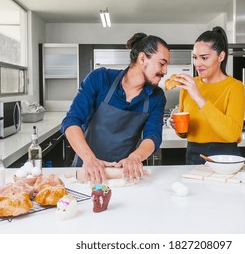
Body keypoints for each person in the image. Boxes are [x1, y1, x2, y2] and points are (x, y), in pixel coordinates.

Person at [61, 33, 170, 183]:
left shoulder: (156, 97)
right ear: (143, 58)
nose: (165, 71)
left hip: (125, 174)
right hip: (87, 170)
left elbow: (153, 136)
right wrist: (89, 159)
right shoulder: (100, 79)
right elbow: (72, 121)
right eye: (162, 63)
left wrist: (135, 157)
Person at [170, 26, 245, 165]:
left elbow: (232, 134)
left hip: (226, 158)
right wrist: (179, 129)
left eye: (204, 58)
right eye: (195, 58)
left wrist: (198, 96)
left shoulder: (235, 87)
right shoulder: (188, 86)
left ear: (221, 56)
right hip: (193, 155)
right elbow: (186, 132)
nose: (198, 64)